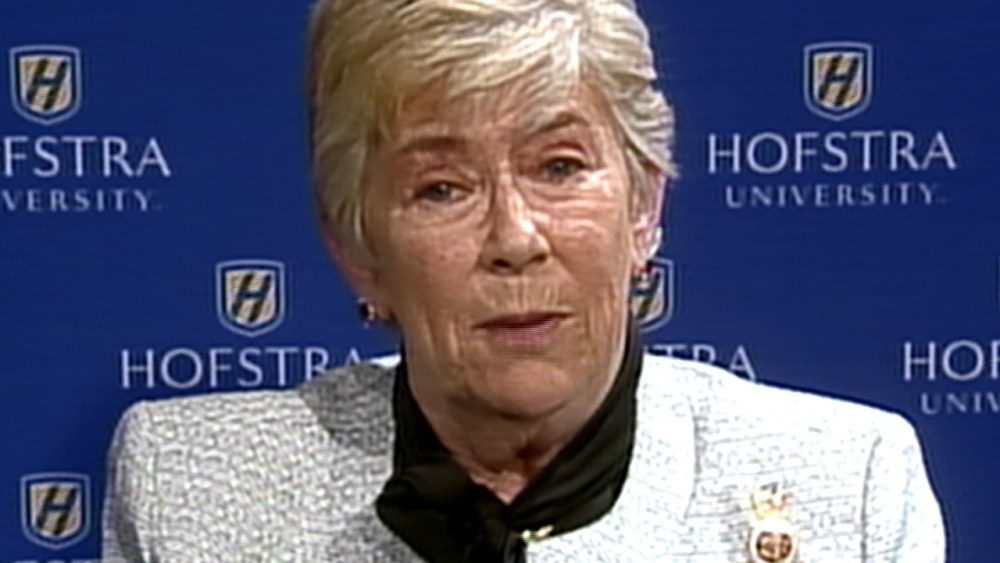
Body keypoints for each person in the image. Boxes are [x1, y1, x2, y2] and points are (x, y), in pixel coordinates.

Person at [102, 0, 946, 561]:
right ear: (356, 248)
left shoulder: (848, 486)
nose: (514, 238)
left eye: (559, 166)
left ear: (644, 207)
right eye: (442, 188)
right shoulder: (191, 485)